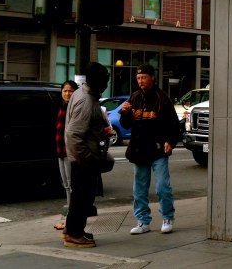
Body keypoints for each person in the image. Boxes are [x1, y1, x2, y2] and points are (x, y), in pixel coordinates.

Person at [120, 63, 179, 235]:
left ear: (152, 77)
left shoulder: (162, 98)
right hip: (139, 150)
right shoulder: (134, 97)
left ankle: (167, 217)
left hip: (158, 150)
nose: (140, 81)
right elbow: (126, 124)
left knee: (162, 187)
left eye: (144, 77)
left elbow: (173, 124)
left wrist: (170, 141)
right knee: (139, 189)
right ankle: (142, 221)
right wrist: (125, 113)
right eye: (138, 78)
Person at [63, 63, 110, 248]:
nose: (106, 84)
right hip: (83, 160)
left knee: (80, 197)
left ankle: (72, 229)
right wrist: (89, 159)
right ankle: (74, 233)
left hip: (82, 157)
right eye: (105, 80)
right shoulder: (86, 101)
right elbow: (74, 135)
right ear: (98, 82)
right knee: (83, 198)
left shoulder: (84, 94)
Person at [53, 80, 78, 231]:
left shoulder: (74, 107)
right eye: (65, 91)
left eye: (70, 91)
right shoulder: (61, 106)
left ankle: (72, 219)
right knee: (66, 185)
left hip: (70, 152)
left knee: (71, 185)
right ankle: (69, 217)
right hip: (60, 151)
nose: (67, 93)